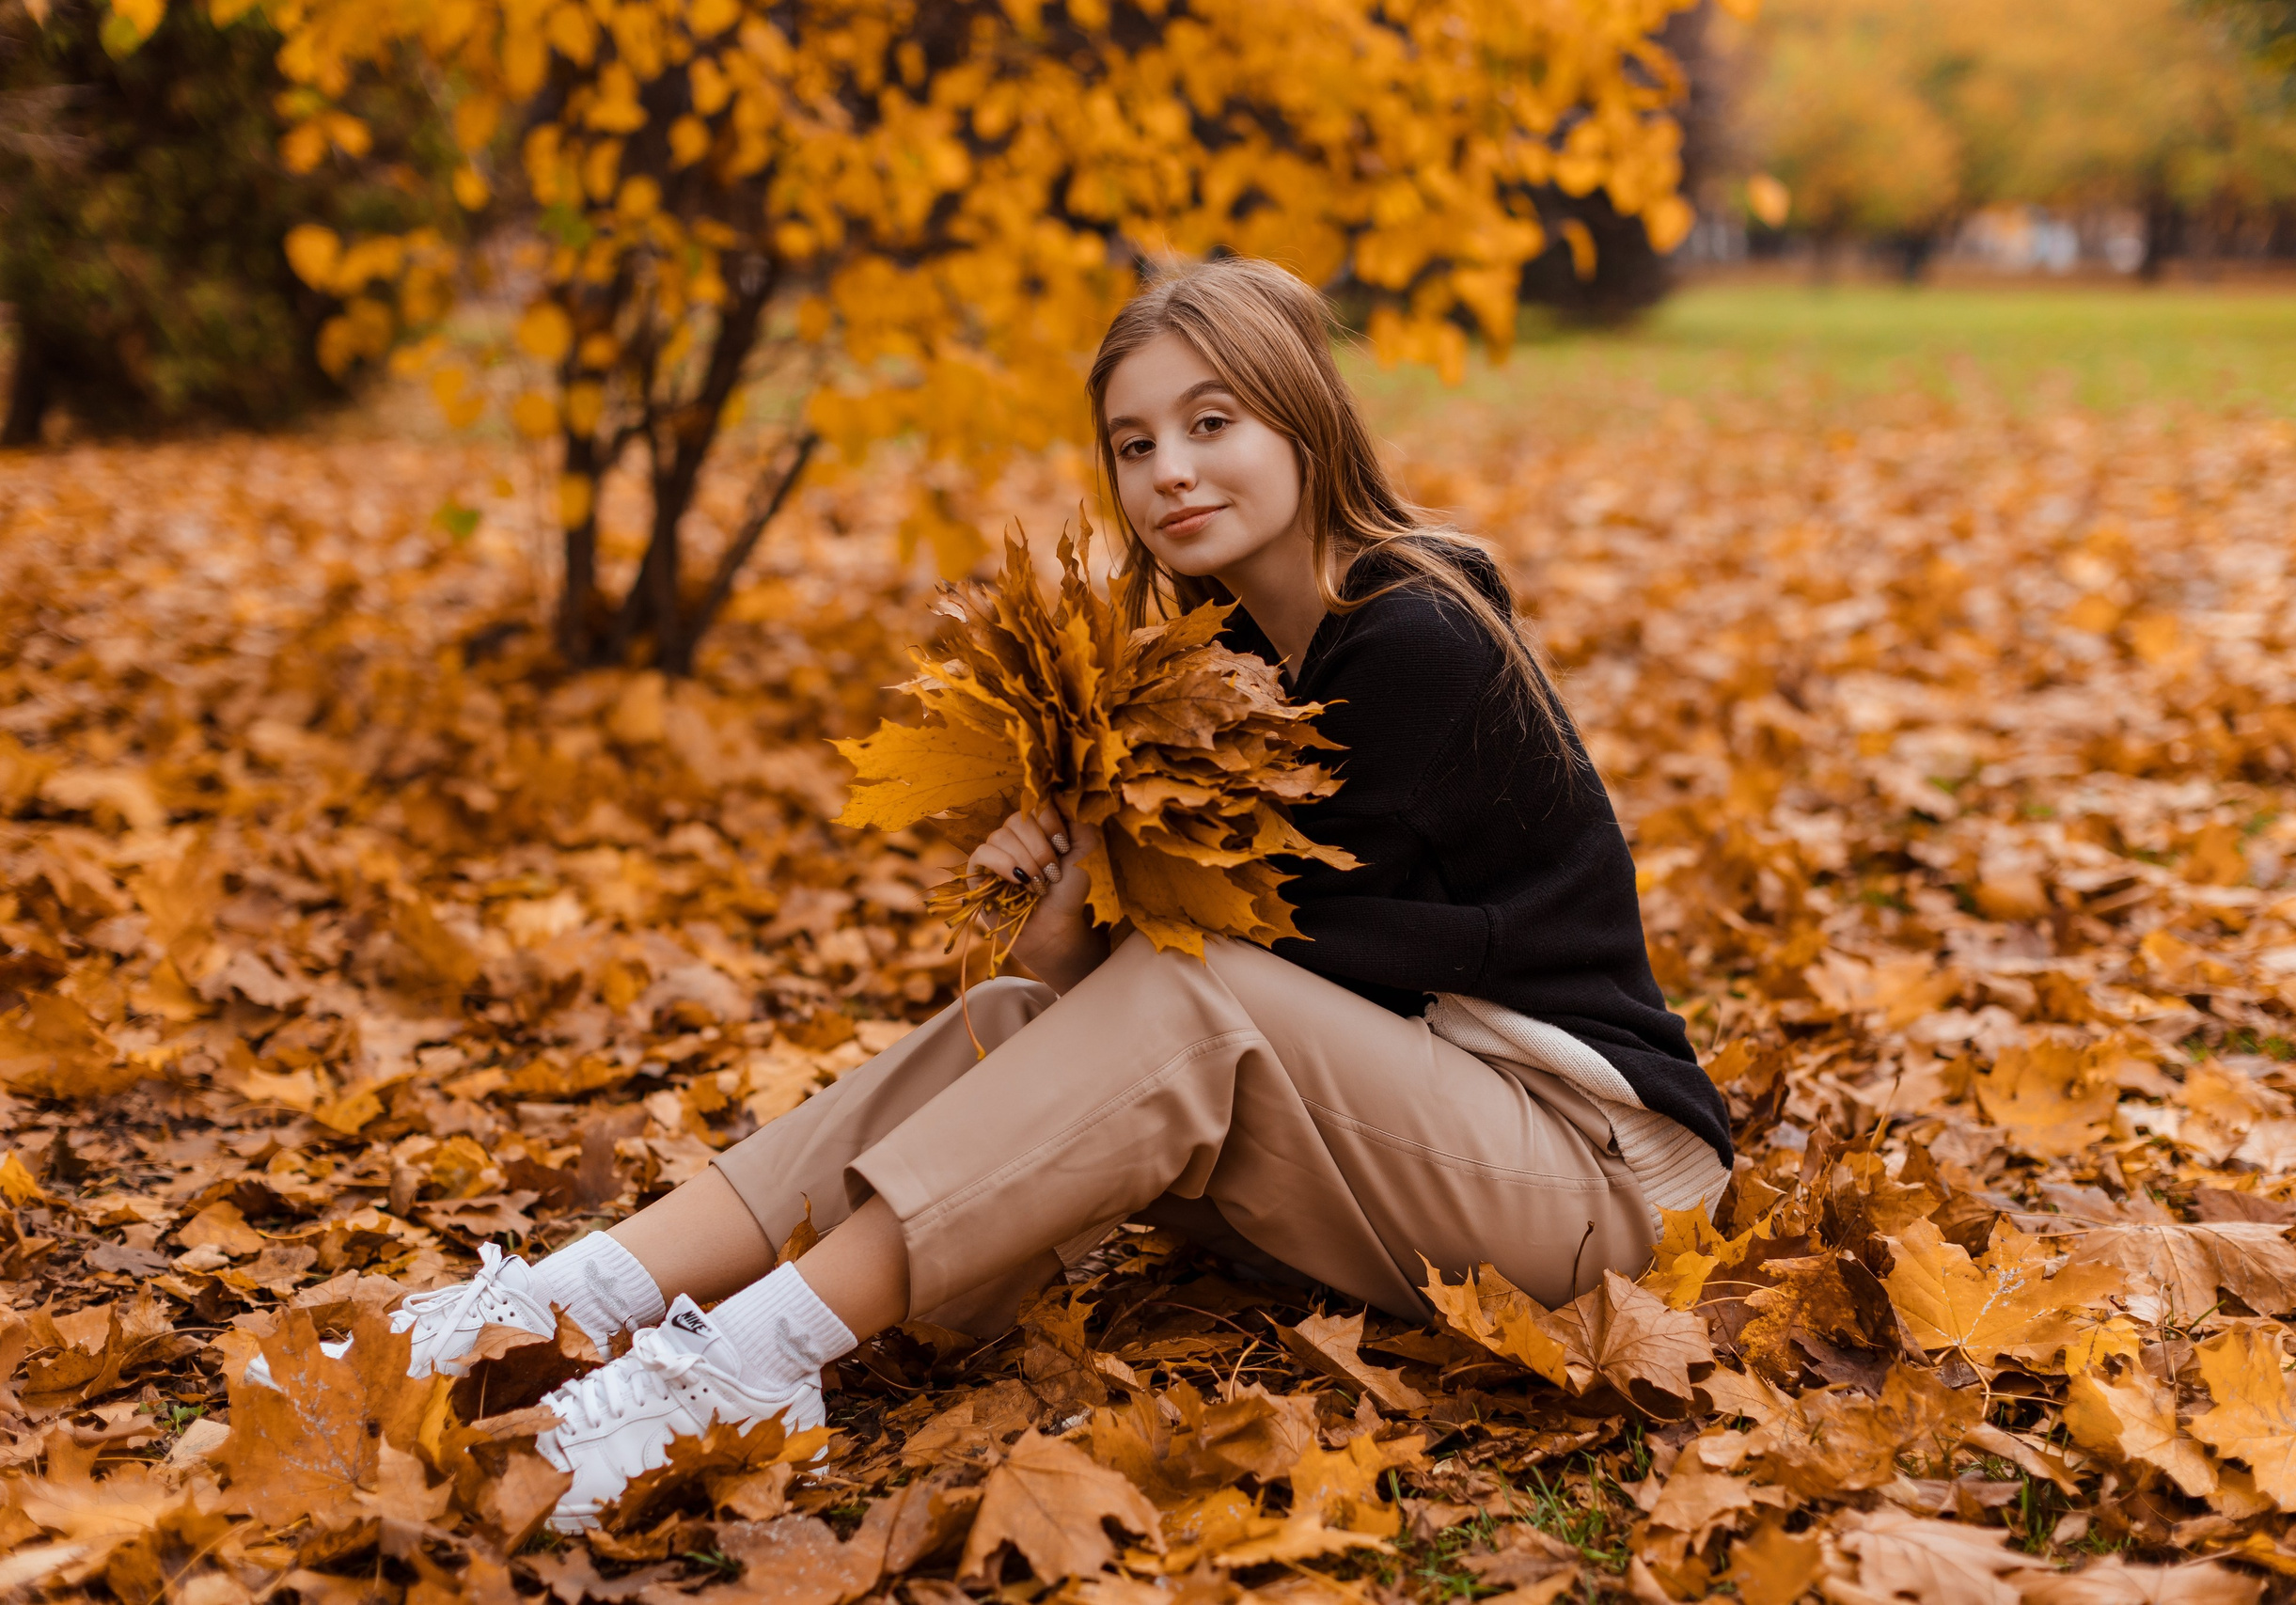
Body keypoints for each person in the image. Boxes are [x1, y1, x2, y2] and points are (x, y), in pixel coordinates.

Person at [298, 258, 1730, 1531]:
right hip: (1401, 1141)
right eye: (1135, 443)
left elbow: (1244, 973)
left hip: (1588, 1186)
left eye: (1213, 423)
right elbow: (1115, 995)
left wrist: (1102, 892)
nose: (1170, 469)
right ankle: (564, 1302)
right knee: (1008, 1009)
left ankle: (739, 1364)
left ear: (1309, 418)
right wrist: (1058, 901)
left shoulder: (1417, 631)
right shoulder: (1224, 653)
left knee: (1180, 994)